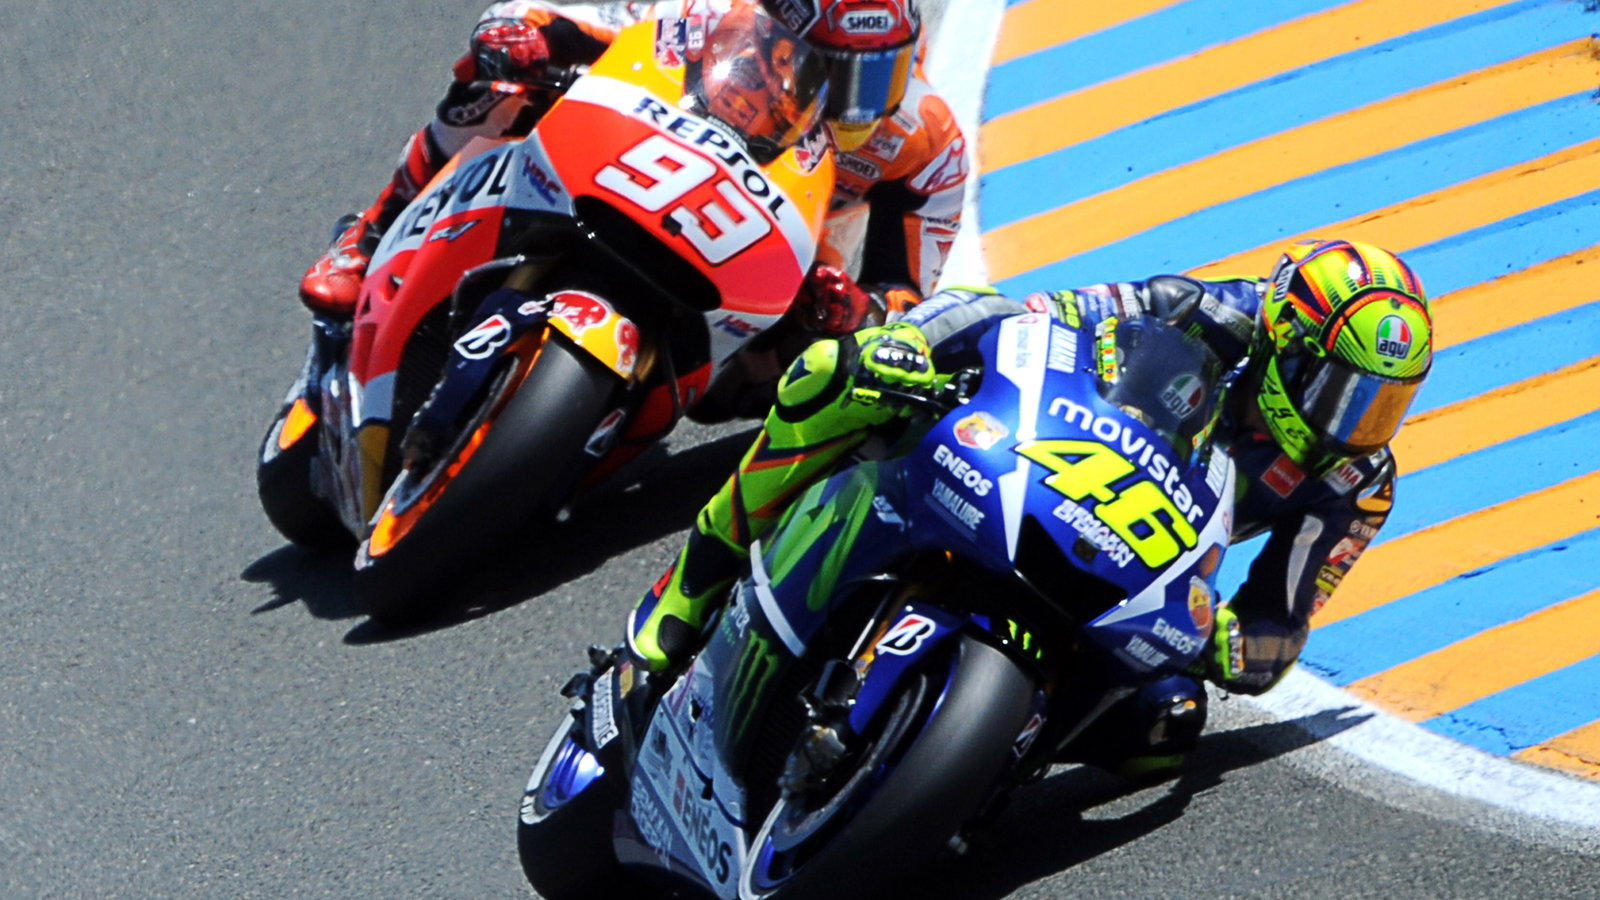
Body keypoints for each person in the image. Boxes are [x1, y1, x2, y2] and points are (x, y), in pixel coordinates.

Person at [625, 238, 1434, 779]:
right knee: (838, 375)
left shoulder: (1357, 484)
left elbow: (1280, 631)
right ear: (1287, 343)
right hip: (1034, 469)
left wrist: (1225, 639)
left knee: (1167, 725)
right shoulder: (1198, 312)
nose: (1355, 425)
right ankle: (693, 585)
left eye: (1382, 406)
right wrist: (913, 344)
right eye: (1344, 393)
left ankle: (956, 790)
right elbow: (1024, 319)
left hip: (1134, 575)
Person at [298, 0, 967, 339]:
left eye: (878, 74)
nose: (852, 103)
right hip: (640, 166)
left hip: (774, 278)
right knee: (500, 78)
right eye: (829, 71)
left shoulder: (927, 146)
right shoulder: (712, 17)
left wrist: (860, 308)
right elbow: (598, 29)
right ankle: (371, 234)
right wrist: (533, 35)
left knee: (840, 375)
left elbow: (910, 297)